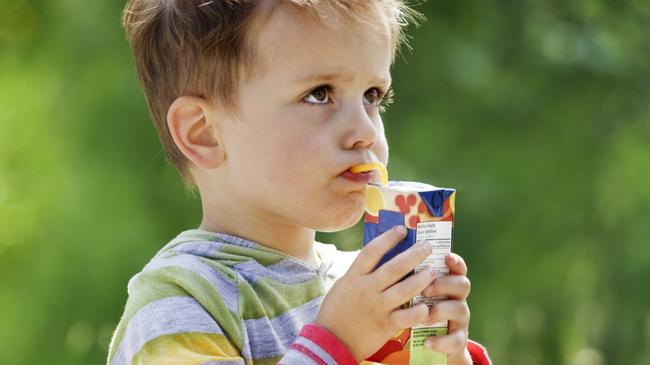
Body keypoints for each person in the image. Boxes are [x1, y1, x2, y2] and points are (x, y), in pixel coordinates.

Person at [108, 1, 491, 364]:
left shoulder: (356, 285)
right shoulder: (181, 302)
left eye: (373, 96)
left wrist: (443, 353)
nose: (365, 132)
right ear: (204, 132)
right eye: (319, 94)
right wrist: (337, 342)